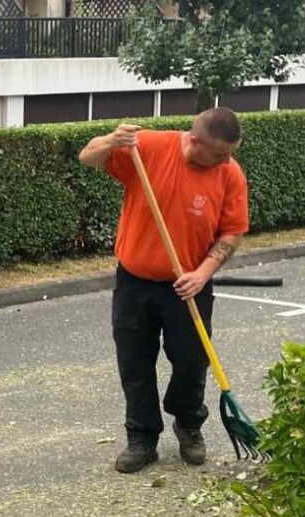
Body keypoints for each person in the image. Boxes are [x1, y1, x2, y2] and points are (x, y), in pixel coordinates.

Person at [78, 107, 249, 473]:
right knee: (135, 363)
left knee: (192, 362)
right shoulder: (150, 147)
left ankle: (188, 423)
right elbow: (88, 156)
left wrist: (202, 273)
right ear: (194, 141)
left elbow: (231, 232)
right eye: (220, 153)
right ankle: (141, 439)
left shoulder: (229, 174)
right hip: (135, 283)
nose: (227, 160)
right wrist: (112, 140)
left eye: (231, 152)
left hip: (189, 286)